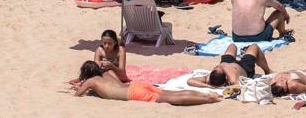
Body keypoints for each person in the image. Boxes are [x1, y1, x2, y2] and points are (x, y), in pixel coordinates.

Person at [74, 61, 219, 105]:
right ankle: (207, 94)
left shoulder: (91, 81)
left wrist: (80, 86)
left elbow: (78, 94)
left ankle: (208, 99)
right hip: (136, 85)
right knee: (171, 93)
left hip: (133, 93)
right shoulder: (107, 73)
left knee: (170, 99)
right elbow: (116, 84)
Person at [191, 43, 272, 88]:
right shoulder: (233, 79)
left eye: (217, 68)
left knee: (232, 46)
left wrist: (208, 86)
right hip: (244, 68)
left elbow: (190, 81)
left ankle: (243, 51)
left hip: (227, 62)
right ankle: (267, 70)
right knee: (254, 46)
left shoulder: (209, 78)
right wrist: (210, 87)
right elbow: (241, 86)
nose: (219, 67)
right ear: (226, 78)